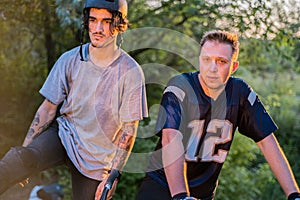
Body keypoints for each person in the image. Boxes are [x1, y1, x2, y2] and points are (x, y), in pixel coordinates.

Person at [0, 0, 148, 199]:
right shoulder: (70, 59)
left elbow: (129, 129)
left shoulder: (131, 72)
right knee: (15, 161)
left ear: (119, 25)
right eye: (93, 20)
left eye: (106, 21)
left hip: (96, 158)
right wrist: (25, 153)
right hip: (64, 135)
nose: (97, 28)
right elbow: (47, 109)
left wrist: (113, 175)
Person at [136, 30, 299, 200]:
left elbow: (267, 142)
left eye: (221, 62)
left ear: (233, 66)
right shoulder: (180, 86)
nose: (212, 68)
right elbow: (170, 138)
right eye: (207, 60)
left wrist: (294, 194)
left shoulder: (240, 92)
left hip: (203, 192)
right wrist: (181, 196)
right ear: (199, 60)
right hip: (163, 185)